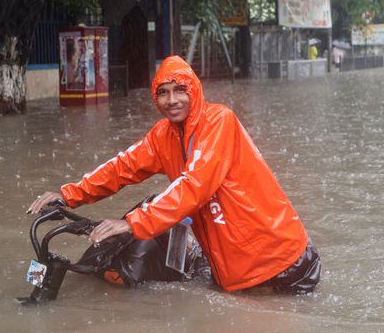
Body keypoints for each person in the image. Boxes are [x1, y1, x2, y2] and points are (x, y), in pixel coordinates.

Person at [28, 55, 321, 294]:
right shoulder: (163, 136)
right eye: (163, 93)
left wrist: (132, 223)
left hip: (284, 265)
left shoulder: (219, 121)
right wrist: (68, 194)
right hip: (236, 274)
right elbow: (120, 168)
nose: (172, 100)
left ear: (194, 91)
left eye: (180, 90)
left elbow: (194, 186)